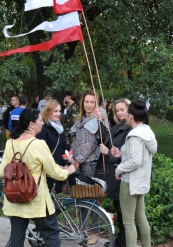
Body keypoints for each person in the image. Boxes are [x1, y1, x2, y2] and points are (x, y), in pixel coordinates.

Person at [0, 108, 77, 247]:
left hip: (15, 197)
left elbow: (1, 171)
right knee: (51, 235)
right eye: (40, 120)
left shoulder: (11, 143)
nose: (42, 123)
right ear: (31, 124)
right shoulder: (39, 145)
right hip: (36, 198)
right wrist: (69, 170)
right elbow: (54, 172)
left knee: (16, 238)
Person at [110, 100, 158, 247]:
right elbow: (136, 155)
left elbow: (135, 161)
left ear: (131, 117)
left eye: (126, 113)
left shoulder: (135, 135)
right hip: (140, 181)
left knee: (128, 222)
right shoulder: (146, 131)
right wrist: (120, 153)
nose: (123, 115)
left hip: (130, 183)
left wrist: (119, 169)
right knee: (140, 218)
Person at [70, 90, 104, 245]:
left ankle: (95, 232)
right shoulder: (81, 119)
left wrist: (77, 160)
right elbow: (76, 140)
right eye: (86, 101)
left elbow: (89, 145)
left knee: (91, 199)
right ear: (82, 103)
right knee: (81, 197)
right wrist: (71, 157)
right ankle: (83, 229)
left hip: (89, 163)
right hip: (78, 162)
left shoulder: (97, 119)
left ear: (96, 103)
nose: (89, 104)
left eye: (92, 102)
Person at [97, 98, 132, 247]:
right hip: (115, 175)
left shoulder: (129, 129)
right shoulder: (117, 126)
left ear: (128, 110)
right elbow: (107, 138)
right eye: (117, 110)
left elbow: (128, 155)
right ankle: (120, 239)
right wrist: (102, 121)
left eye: (122, 110)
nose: (119, 113)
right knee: (119, 209)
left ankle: (124, 242)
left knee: (124, 212)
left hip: (123, 174)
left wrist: (108, 153)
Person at [36, 99, 68, 193]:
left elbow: (64, 147)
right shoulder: (43, 129)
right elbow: (41, 152)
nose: (58, 114)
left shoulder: (60, 128)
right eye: (55, 111)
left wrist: (66, 163)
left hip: (59, 170)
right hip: (47, 172)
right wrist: (54, 165)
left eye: (59, 111)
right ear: (48, 111)